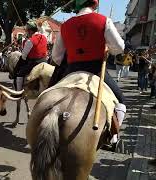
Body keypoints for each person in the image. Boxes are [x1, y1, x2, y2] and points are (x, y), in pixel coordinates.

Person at [51, 0, 126, 148]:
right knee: (121, 100)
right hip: (96, 71)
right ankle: (112, 138)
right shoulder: (104, 20)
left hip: (71, 72)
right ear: (94, 4)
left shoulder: (65, 25)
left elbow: (57, 57)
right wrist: (107, 48)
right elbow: (119, 47)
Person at [13, 20, 48, 91]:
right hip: (45, 62)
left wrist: (16, 68)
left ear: (30, 31)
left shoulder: (30, 41)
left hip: (34, 63)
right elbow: (42, 31)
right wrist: (39, 26)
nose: (26, 33)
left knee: (19, 73)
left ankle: (18, 92)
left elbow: (23, 57)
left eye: (27, 31)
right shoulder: (44, 36)